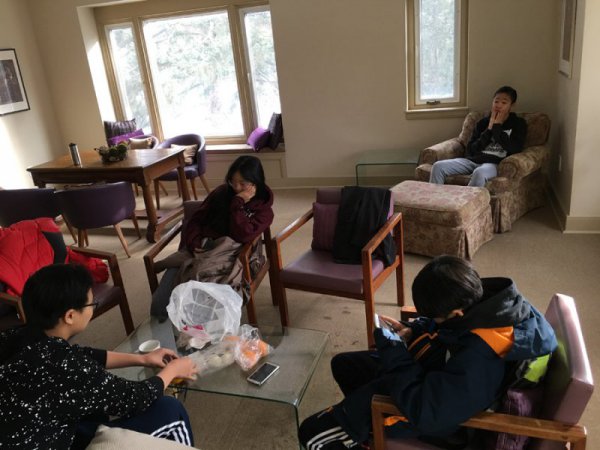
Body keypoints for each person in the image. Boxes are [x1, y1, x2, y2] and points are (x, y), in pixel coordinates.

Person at [298, 255, 557, 449]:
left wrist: (395, 353)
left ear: (456, 313)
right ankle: (367, 435)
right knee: (344, 364)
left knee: (312, 434)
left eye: (434, 316)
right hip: (434, 374)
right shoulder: (485, 303)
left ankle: (364, 428)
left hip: (434, 415)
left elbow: (427, 412)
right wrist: (414, 329)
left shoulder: (481, 358)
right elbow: (448, 330)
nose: (432, 319)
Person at [0, 264, 199, 449]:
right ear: (70, 316)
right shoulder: (64, 367)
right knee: (170, 410)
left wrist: (142, 359)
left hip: (34, 431)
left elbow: (81, 354)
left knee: (94, 412)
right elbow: (135, 398)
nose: (92, 308)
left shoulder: (15, 336)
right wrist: (172, 370)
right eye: (91, 304)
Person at [151, 155, 274, 319]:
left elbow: (243, 235)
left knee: (199, 308)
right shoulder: (221, 193)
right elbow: (196, 220)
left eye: (243, 183)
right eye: (233, 182)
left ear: (255, 182)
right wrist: (194, 243)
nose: (236, 187)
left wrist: (237, 204)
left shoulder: (264, 211)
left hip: (229, 255)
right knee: (159, 307)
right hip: (199, 248)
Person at [429, 86, 528, 187]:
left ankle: (467, 198)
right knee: (438, 166)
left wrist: (497, 126)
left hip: (493, 164)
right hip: (472, 161)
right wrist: (489, 129)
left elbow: (514, 148)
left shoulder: (518, 123)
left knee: (479, 173)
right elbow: (470, 149)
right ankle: (435, 197)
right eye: (496, 101)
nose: (498, 105)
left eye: (504, 102)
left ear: (512, 105)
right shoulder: (483, 122)